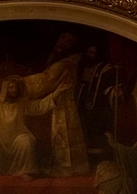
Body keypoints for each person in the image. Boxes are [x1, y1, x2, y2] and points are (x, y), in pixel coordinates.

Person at [0, 77, 71, 180]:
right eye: (11, 87)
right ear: (5, 89)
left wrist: (57, 92)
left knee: (26, 141)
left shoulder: (21, 103)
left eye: (16, 87)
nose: (14, 90)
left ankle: (23, 171)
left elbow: (38, 106)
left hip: (16, 138)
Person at [24, 33, 90, 177]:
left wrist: (20, 83)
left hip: (62, 105)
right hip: (60, 102)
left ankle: (64, 169)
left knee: (62, 136)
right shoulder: (68, 62)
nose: (57, 47)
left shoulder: (64, 64)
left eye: (61, 45)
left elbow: (45, 81)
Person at [76, 45, 123, 157]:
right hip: (83, 108)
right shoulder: (82, 68)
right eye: (88, 52)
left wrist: (114, 91)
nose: (89, 55)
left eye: (92, 53)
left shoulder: (107, 70)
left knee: (97, 136)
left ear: (98, 55)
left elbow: (114, 87)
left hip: (99, 110)